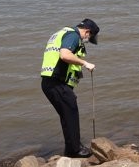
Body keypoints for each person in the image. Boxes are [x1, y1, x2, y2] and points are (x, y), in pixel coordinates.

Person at [40, 18, 99, 158]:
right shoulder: (73, 36)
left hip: (51, 82)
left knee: (67, 115)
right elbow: (65, 54)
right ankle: (74, 150)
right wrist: (85, 63)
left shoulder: (63, 32)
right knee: (70, 113)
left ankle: (72, 147)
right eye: (89, 37)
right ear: (87, 32)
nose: (88, 40)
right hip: (56, 83)